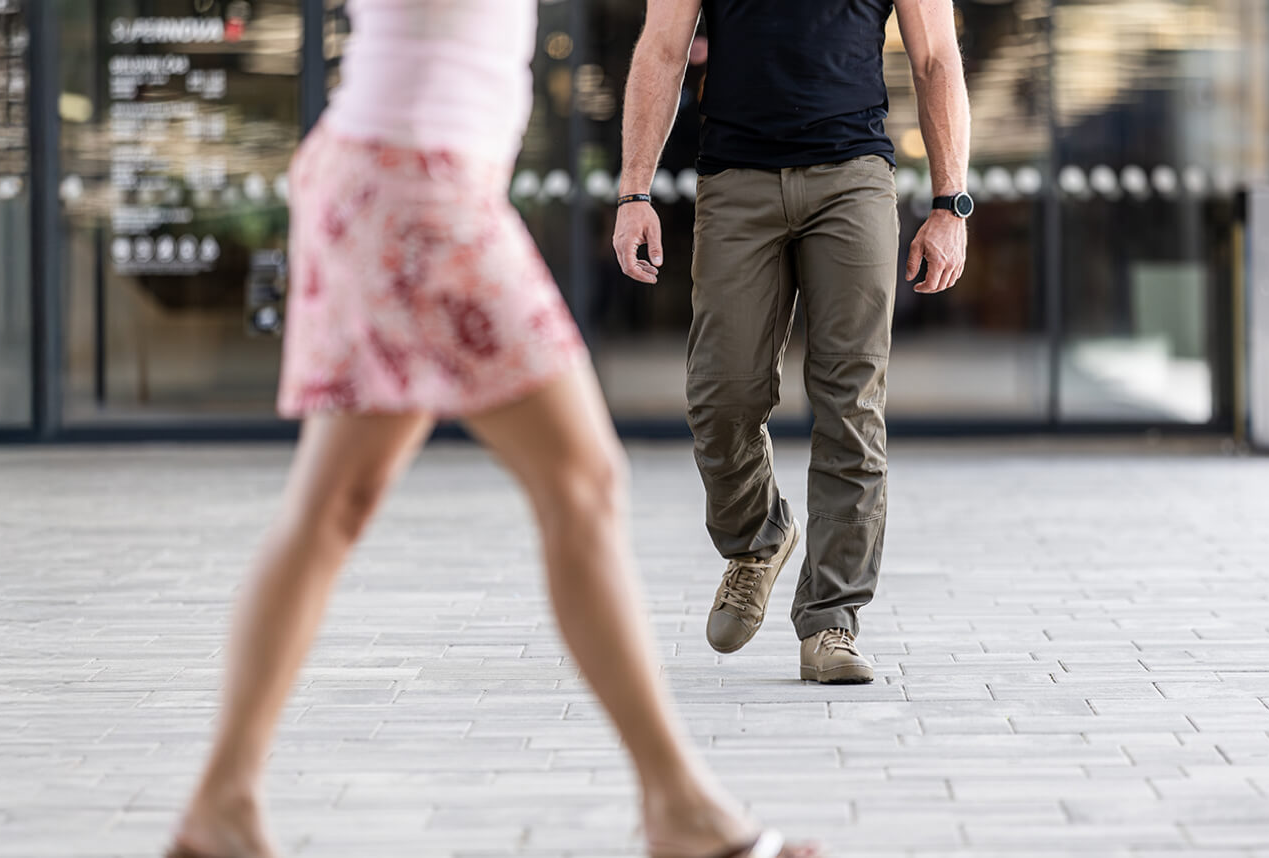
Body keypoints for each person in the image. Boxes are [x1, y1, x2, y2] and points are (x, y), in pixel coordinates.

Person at [166, 2, 822, 857]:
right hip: (418, 185)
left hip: (391, 172)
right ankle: (680, 807)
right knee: (579, 484)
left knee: (335, 507)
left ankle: (222, 804)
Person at [614, 0, 973, 683]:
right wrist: (634, 194)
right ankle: (757, 539)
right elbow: (660, 49)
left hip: (853, 178)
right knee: (721, 396)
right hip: (734, 180)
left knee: (850, 405)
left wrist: (951, 203)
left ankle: (832, 620)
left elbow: (934, 57)